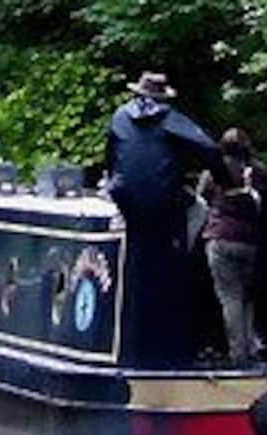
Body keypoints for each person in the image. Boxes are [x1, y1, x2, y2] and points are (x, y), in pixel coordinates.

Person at [103, 71, 233, 367]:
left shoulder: (119, 117)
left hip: (127, 202)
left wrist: (115, 186)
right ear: (162, 97)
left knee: (139, 265)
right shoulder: (171, 120)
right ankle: (174, 348)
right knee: (189, 224)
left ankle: (132, 344)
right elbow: (210, 149)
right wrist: (226, 182)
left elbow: (111, 158)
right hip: (164, 205)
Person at [200, 128, 267, 362]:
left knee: (230, 298)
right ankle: (252, 346)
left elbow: (202, 200)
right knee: (248, 297)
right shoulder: (258, 171)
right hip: (250, 242)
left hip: (220, 239)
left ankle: (238, 355)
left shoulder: (213, 171)